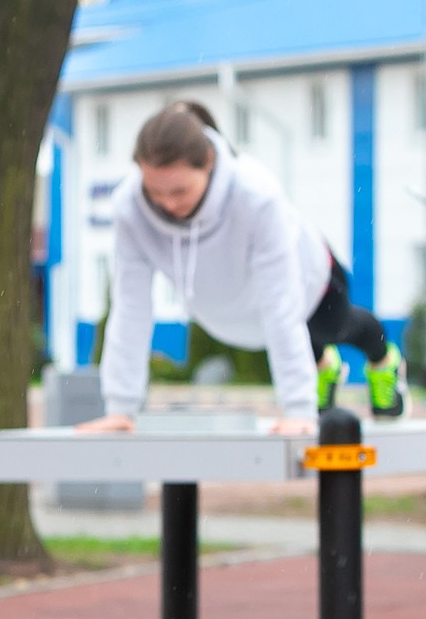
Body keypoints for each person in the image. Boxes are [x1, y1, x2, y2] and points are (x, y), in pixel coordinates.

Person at [81, 101, 405, 435]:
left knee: (333, 328)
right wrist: (120, 408)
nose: (167, 204)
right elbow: (130, 308)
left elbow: (281, 304)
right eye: (155, 191)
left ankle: (384, 361)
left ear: (208, 162)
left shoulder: (255, 195)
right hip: (238, 316)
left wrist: (298, 410)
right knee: (300, 341)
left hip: (311, 285)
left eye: (179, 190)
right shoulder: (130, 209)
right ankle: (323, 366)